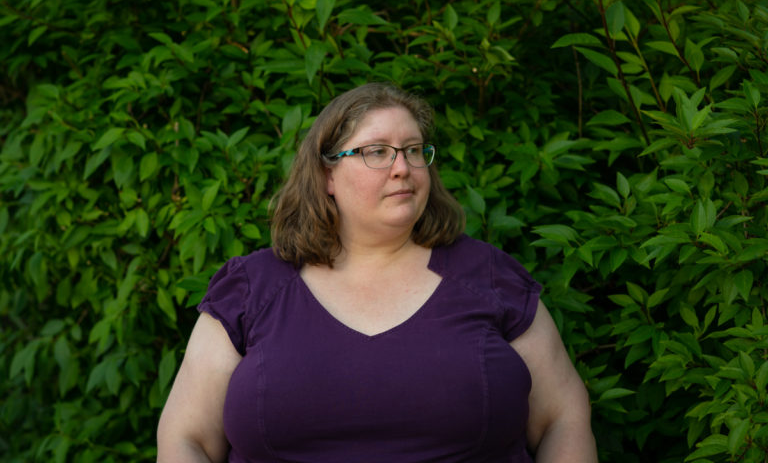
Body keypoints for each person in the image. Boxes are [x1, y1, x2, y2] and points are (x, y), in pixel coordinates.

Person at [157, 83, 597, 462]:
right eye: (377, 152)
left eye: (412, 150)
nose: (402, 167)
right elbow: (185, 436)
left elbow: (563, 415)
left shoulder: (490, 278)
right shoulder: (253, 289)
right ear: (327, 173)